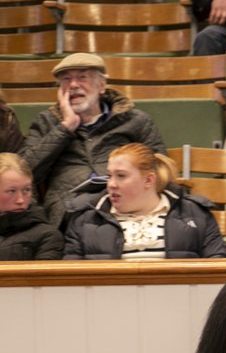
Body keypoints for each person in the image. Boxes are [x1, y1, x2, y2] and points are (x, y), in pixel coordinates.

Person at [20, 53, 166, 230]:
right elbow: (23, 172)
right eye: (66, 79)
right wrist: (65, 128)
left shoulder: (134, 120)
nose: (73, 85)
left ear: (101, 86)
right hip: (69, 211)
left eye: (82, 77)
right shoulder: (46, 122)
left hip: (127, 204)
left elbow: (160, 167)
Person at [61, 143, 226, 260]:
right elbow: (69, 280)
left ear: (148, 180)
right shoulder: (84, 220)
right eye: (110, 175)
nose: (111, 184)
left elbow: (219, 270)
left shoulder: (196, 214)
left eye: (121, 176)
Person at [0, 153, 63, 261]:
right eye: (11, 191)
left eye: (26, 190)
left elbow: (41, 277)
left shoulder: (47, 236)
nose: (20, 200)